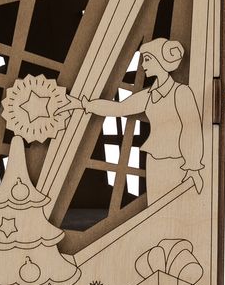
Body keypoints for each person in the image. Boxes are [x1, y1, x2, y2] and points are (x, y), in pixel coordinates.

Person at [72, 38, 203, 203]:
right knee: (155, 206)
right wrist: (85, 105)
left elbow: (191, 129)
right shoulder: (148, 96)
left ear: (161, 60)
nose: (143, 65)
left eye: (147, 59)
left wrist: (193, 166)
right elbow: (119, 108)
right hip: (154, 161)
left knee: (176, 208)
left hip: (178, 162)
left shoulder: (181, 92)